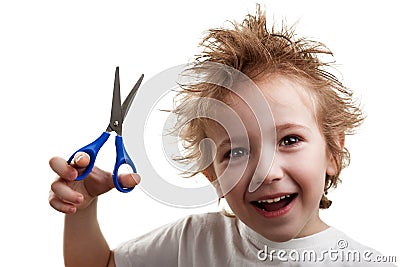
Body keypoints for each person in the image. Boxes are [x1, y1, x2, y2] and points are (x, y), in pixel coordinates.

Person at [48, 6, 396, 266]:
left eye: (289, 140)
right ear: (212, 176)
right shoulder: (194, 241)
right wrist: (83, 209)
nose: (267, 172)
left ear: (333, 153)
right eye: (237, 152)